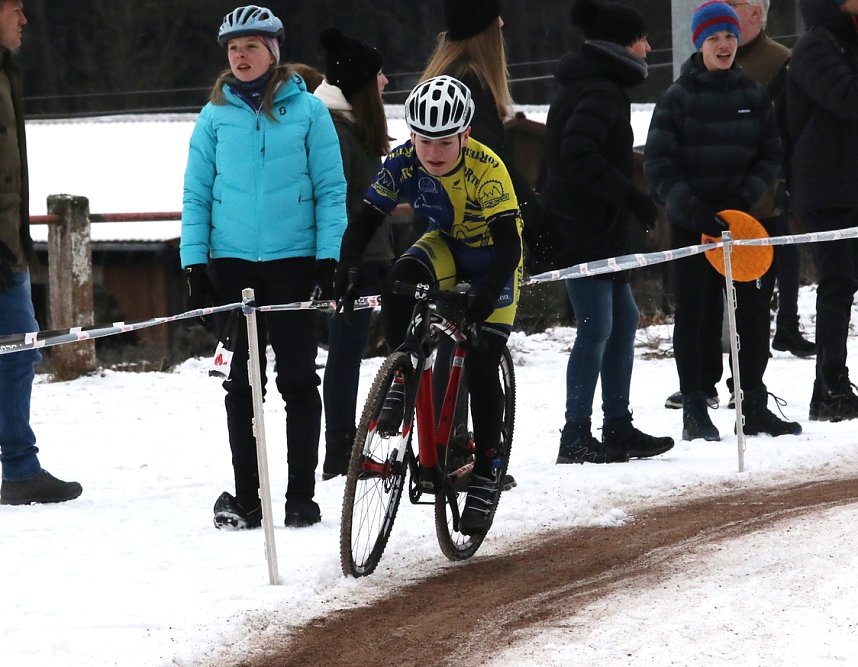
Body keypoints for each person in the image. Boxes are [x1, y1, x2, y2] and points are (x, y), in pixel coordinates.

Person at [180, 5, 346, 529]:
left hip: (294, 262)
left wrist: (329, 257)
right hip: (232, 266)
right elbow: (196, 195)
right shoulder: (214, 116)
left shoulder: (309, 111)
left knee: (298, 379)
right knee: (241, 385)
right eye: (233, 48)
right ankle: (249, 498)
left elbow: (330, 188)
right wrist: (194, 266)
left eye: (250, 46)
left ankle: (300, 497)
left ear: (273, 52)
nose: (240, 56)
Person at [336, 75, 522, 536]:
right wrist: (346, 266)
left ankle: (488, 468)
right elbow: (366, 219)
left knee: (482, 360)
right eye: (422, 141)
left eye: (443, 142)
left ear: (465, 135)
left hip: (495, 258)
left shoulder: (488, 168)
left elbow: (508, 249)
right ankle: (404, 370)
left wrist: (482, 295)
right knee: (402, 280)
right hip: (447, 244)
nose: (432, 152)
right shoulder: (401, 160)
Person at [644, 0, 801, 441]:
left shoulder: (751, 93)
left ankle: (751, 400)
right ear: (700, 42)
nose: (725, 44)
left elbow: (772, 153)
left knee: (752, 314)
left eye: (730, 36)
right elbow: (658, 166)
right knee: (695, 313)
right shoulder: (676, 98)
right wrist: (692, 209)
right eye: (714, 37)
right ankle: (695, 405)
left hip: (745, 223)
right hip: (693, 225)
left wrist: (745, 198)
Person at [539, 0, 673, 465]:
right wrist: (631, 197)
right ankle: (575, 433)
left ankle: (616, 424)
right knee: (596, 326)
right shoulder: (599, 89)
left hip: (600, 226)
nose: (649, 47)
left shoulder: (599, 84)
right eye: (642, 39)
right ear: (621, 45)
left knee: (625, 321)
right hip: (584, 228)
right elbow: (577, 153)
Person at [0, 0, 82, 506]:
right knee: (17, 352)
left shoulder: (7, 71)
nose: (24, 20)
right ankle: (20, 467)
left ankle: (20, 467)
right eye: (15, 8)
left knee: (18, 352)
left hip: (8, 245)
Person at [314, 27, 394, 479]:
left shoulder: (346, 125)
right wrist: (346, 260)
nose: (385, 83)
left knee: (351, 350)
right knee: (344, 352)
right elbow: (339, 202)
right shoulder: (334, 131)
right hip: (352, 259)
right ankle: (341, 449)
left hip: (365, 255)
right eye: (379, 75)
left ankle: (348, 443)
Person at [787, 0, 858, 421]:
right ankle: (829, 387)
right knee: (838, 284)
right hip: (828, 188)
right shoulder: (815, 45)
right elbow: (848, 98)